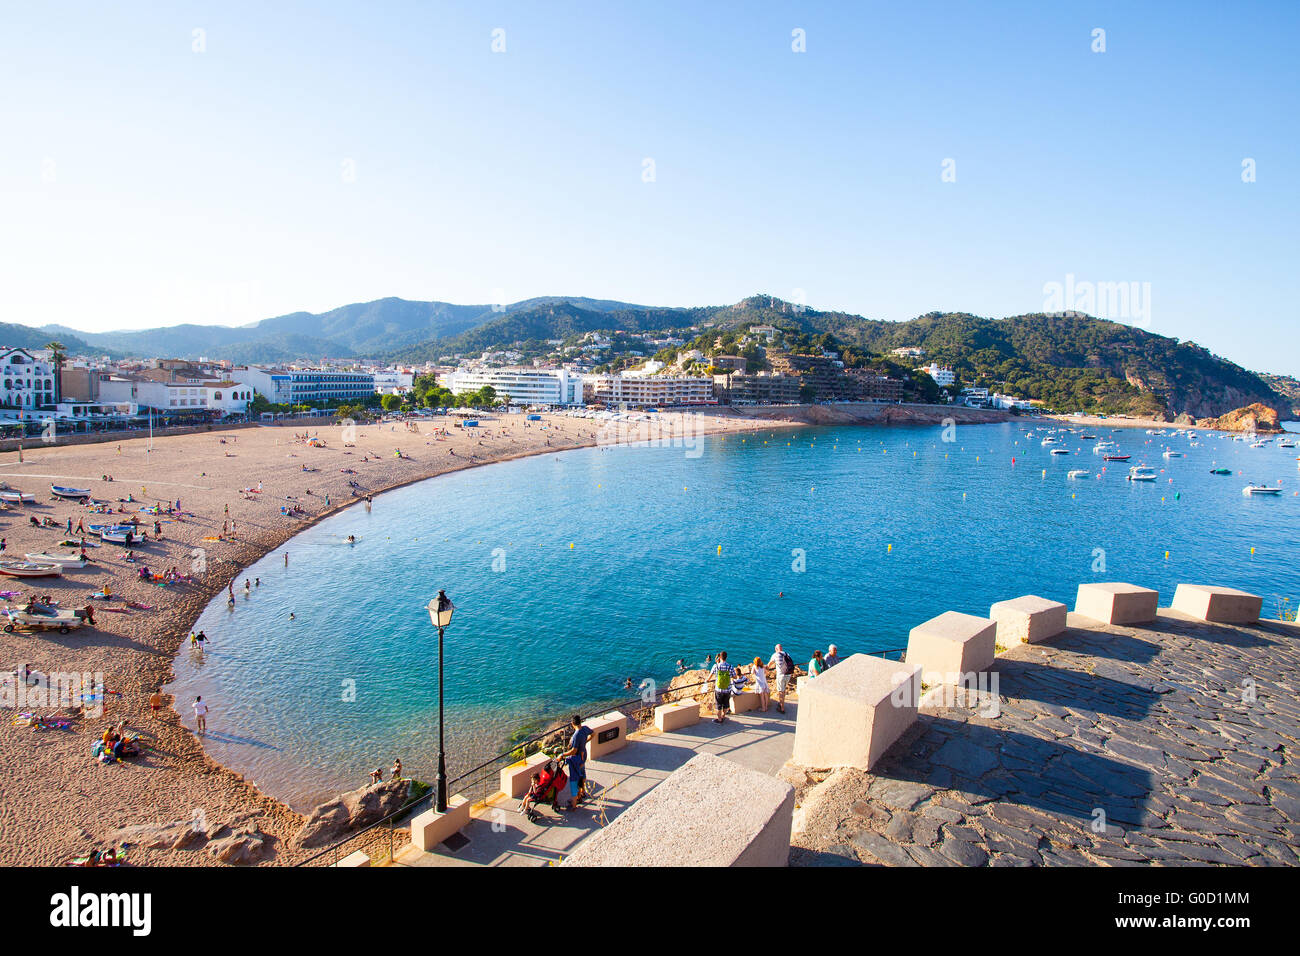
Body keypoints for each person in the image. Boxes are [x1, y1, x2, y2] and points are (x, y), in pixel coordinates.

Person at [558, 715, 592, 810]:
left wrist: (563, 755)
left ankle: (577, 798)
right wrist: (585, 741)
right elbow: (593, 734)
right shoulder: (585, 729)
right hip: (583, 755)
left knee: (577, 777)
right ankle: (582, 792)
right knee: (582, 774)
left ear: (573, 724)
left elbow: (573, 750)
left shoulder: (577, 735)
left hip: (577, 759)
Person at [708, 651, 735, 724]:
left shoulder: (716, 666)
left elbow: (710, 675)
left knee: (718, 705)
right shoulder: (730, 666)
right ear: (726, 657)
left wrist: (707, 680)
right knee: (726, 704)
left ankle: (719, 719)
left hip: (718, 689)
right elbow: (734, 676)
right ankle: (723, 716)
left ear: (720, 657)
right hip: (727, 689)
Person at [768, 643, 795, 714]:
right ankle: (781, 703)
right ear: (781, 648)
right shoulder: (786, 654)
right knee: (784, 690)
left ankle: (782, 708)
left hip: (781, 675)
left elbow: (769, 665)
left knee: (780, 691)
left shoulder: (775, 655)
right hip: (788, 674)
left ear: (776, 649)